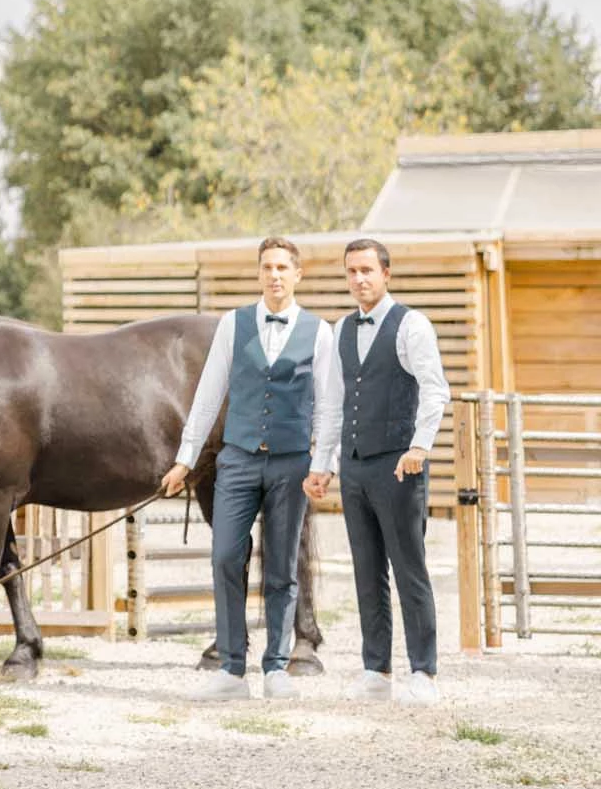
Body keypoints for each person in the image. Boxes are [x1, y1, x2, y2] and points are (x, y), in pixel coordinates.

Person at [160, 235, 340, 702]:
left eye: (282, 267)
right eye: (267, 268)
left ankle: (277, 667)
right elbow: (207, 394)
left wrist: (323, 464)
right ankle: (232, 667)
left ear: (297, 275)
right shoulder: (233, 325)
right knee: (224, 556)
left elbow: (328, 407)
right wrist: (185, 458)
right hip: (236, 460)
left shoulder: (320, 333)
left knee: (281, 566)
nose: (274, 275)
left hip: (290, 462)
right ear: (259, 274)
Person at [305, 235, 450, 704]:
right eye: (351, 271)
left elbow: (435, 389)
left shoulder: (412, 326)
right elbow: (331, 405)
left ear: (386, 274)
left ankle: (424, 672)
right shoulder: (342, 329)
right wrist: (322, 465)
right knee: (366, 570)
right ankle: (376, 669)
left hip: (398, 466)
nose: (359, 279)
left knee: (409, 568)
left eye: (367, 270)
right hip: (354, 466)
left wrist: (420, 446)